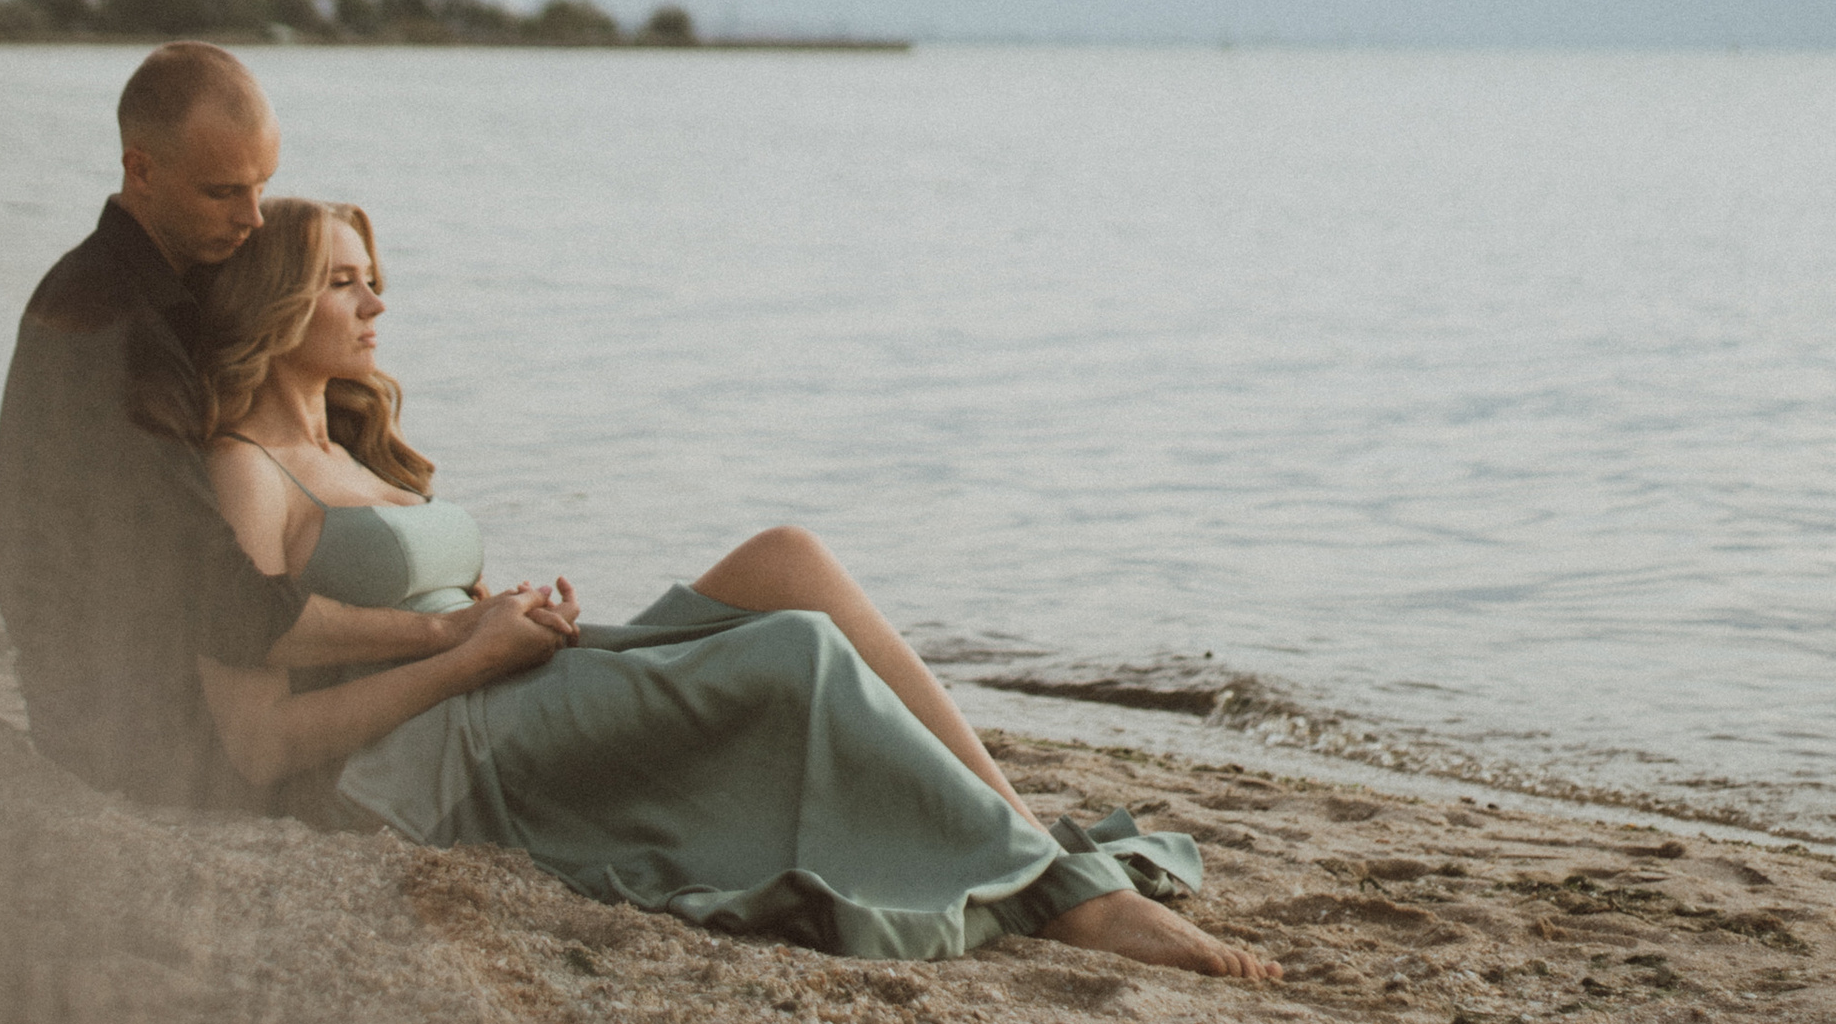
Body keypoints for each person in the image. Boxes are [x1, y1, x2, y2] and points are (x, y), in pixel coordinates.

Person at [188, 193, 1280, 981]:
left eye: (373, 276)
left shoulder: (352, 449)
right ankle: (1070, 902)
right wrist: (467, 652)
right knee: (794, 654)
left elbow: (436, 611)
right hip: (432, 756)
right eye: (342, 281)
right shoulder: (246, 471)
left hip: (495, 676)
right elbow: (257, 746)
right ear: (277, 300)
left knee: (787, 560)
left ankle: (1029, 840)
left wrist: (511, 621)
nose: (376, 300)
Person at [0, 42, 563, 811]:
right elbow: (227, 606)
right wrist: (453, 635)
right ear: (141, 170)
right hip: (131, 728)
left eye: (262, 185)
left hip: (166, 685)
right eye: (224, 192)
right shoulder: (112, 327)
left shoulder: (173, 294)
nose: (252, 218)